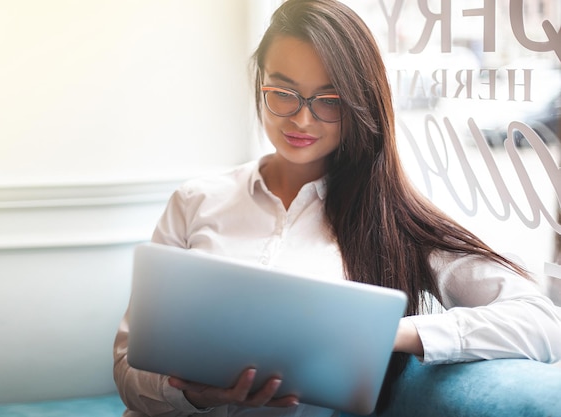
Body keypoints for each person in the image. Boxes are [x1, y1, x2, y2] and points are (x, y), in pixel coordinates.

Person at [113, 0, 561, 416]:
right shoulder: (195, 201)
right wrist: (191, 393)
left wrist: (392, 333)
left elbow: (542, 322)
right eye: (283, 93)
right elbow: (128, 371)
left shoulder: (394, 220)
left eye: (329, 101)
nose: (302, 120)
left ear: (359, 103)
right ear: (259, 82)